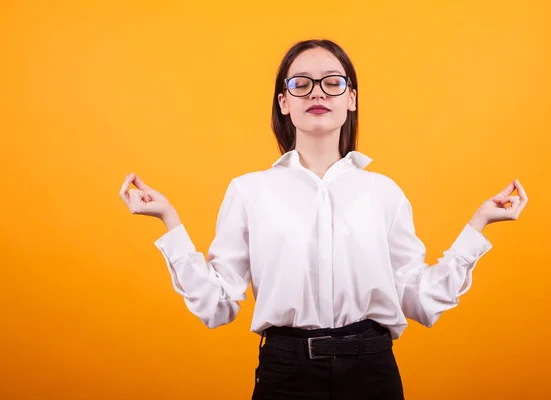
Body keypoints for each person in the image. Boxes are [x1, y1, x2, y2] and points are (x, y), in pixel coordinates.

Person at [119, 39, 528, 400]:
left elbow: (419, 301)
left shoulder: (383, 192)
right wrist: (169, 221)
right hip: (286, 375)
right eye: (301, 83)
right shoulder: (249, 191)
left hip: (373, 374)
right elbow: (217, 305)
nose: (318, 92)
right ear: (285, 101)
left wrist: (478, 227)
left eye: (333, 82)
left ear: (351, 98)